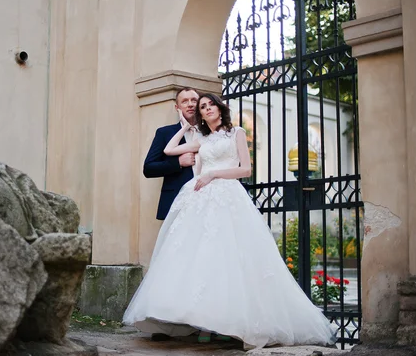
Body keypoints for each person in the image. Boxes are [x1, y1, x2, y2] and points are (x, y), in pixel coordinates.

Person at [123, 93, 336, 349]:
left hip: (228, 196)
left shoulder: (236, 132)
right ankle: (205, 323)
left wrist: (213, 173)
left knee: (231, 258)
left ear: (219, 107)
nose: (206, 108)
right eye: (202, 107)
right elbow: (169, 150)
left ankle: (232, 326)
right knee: (202, 259)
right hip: (201, 200)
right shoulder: (201, 138)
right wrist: (184, 126)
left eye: (210, 104)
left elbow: (245, 170)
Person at [143, 87, 201, 221]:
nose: (190, 104)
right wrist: (178, 163)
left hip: (206, 199)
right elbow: (148, 168)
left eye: (194, 100)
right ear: (177, 107)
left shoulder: (210, 133)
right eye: (185, 101)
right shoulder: (165, 133)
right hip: (176, 199)